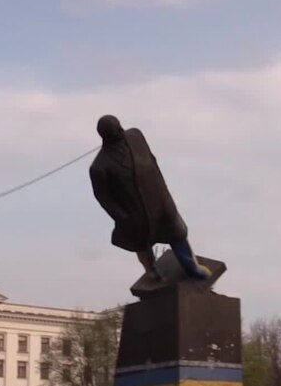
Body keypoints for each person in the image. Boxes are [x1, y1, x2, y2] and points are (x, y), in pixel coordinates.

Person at [89, 115, 211, 281]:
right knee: (141, 243)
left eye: (119, 127)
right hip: (134, 213)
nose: (120, 131)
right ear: (105, 135)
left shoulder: (136, 136)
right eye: (115, 130)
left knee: (177, 232)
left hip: (159, 200)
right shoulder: (99, 166)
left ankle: (191, 266)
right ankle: (152, 271)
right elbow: (103, 197)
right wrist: (122, 217)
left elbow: (152, 160)